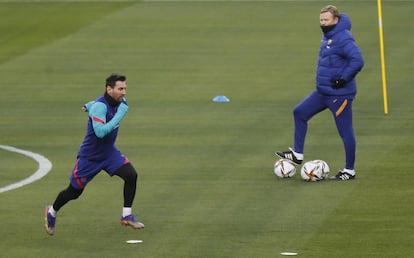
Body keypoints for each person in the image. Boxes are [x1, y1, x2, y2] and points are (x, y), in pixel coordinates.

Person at [44, 73, 144, 236]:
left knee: (131, 175)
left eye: (125, 88)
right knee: (74, 192)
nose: (124, 92)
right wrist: (120, 114)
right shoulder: (102, 107)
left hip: (109, 153)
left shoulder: (117, 102)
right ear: (109, 89)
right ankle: (52, 211)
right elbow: (100, 132)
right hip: (90, 157)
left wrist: (88, 104)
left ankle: (126, 215)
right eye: (120, 89)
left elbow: (94, 104)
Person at [276, 5, 364, 180]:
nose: (323, 24)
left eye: (326, 20)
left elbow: (358, 60)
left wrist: (343, 79)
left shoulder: (343, 38)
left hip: (339, 96)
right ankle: (298, 154)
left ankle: (349, 170)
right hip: (323, 92)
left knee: (345, 131)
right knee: (300, 112)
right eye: (321, 21)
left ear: (336, 20)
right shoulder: (328, 36)